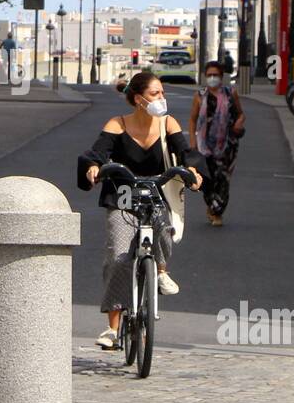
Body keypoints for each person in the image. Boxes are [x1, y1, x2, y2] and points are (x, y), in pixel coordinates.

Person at [79, 71, 206, 350]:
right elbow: (98, 151)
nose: (162, 98)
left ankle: (159, 270)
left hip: (156, 193)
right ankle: (112, 328)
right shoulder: (117, 124)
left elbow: (185, 152)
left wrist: (194, 171)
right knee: (118, 256)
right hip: (122, 197)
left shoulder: (167, 123)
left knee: (163, 226)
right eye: (155, 93)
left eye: (162, 93)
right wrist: (94, 166)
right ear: (139, 99)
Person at [189, 60, 244, 226]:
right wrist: (193, 142)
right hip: (204, 146)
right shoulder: (199, 96)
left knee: (223, 179)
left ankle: (217, 212)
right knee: (207, 180)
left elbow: (241, 114)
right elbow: (192, 120)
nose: (212, 78)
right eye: (209, 75)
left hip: (226, 145)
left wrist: (238, 124)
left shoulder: (230, 93)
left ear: (222, 76)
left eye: (216, 75)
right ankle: (211, 206)